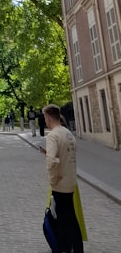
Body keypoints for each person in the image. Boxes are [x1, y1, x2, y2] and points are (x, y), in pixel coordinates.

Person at [43, 104, 84, 253]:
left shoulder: (53, 135)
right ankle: (78, 248)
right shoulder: (68, 133)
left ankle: (64, 248)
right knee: (71, 217)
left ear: (48, 117)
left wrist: (53, 178)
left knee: (61, 219)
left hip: (60, 183)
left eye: (45, 118)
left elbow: (51, 160)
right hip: (71, 180)